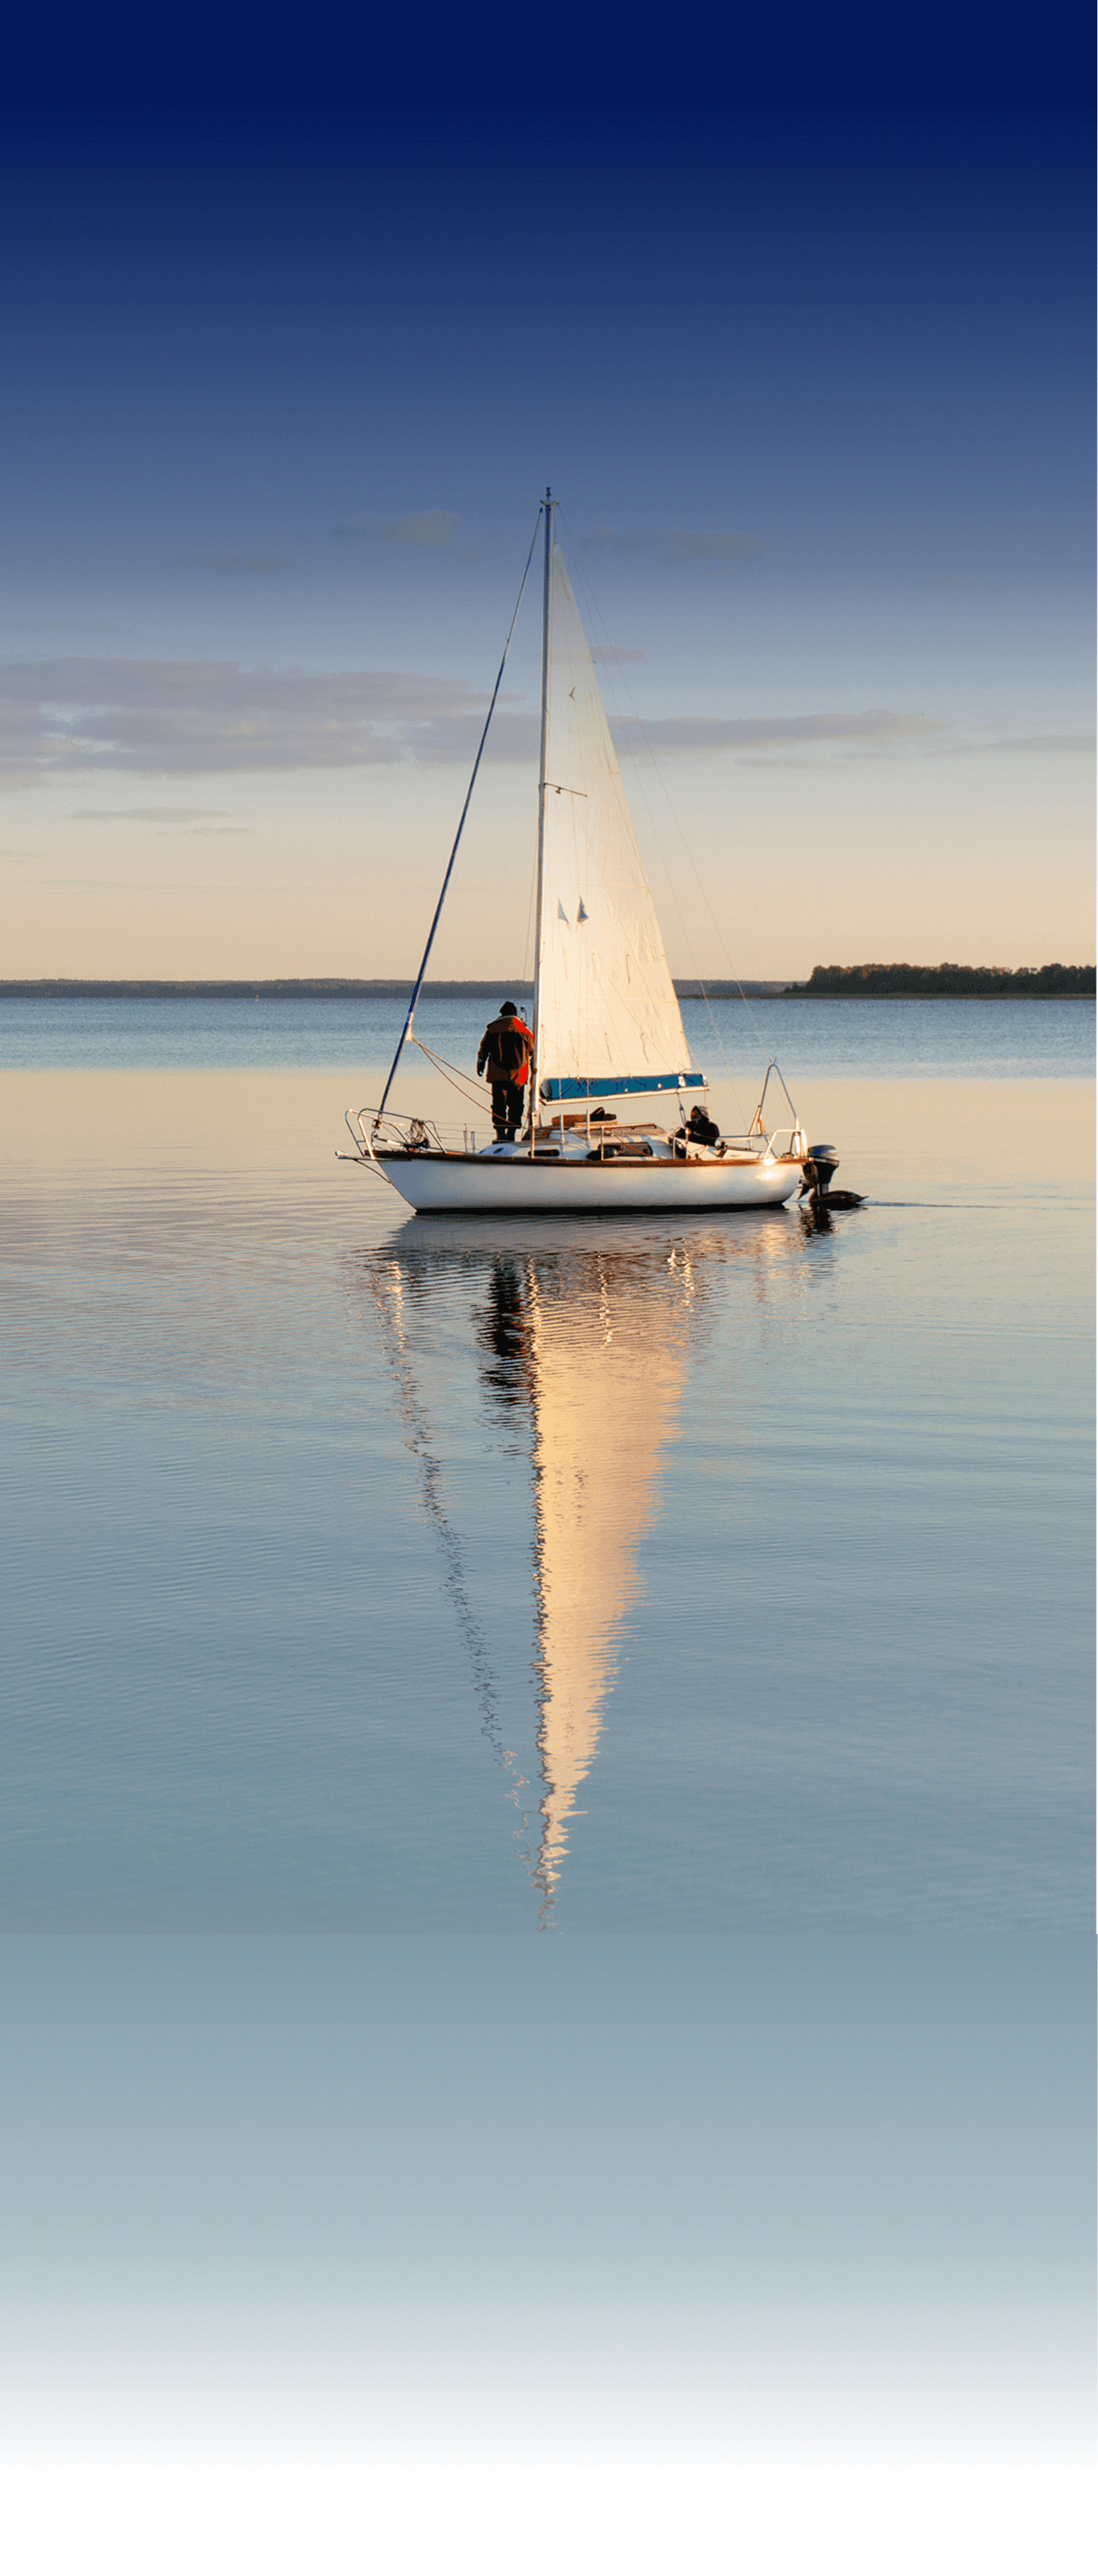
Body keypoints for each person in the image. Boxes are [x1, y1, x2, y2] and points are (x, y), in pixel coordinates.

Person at [476, 1000, 535, 1140]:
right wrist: (534, 1071)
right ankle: (512, 1134)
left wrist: (480, 1064)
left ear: (502, 1014)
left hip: (498, 1075)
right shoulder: (525, 1031)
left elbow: (483, 1050)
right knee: (516, 1105)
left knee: (498, 1105)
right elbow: (533, 1051)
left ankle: (500, 1134)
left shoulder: (493, 1029)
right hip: (518, 1076)